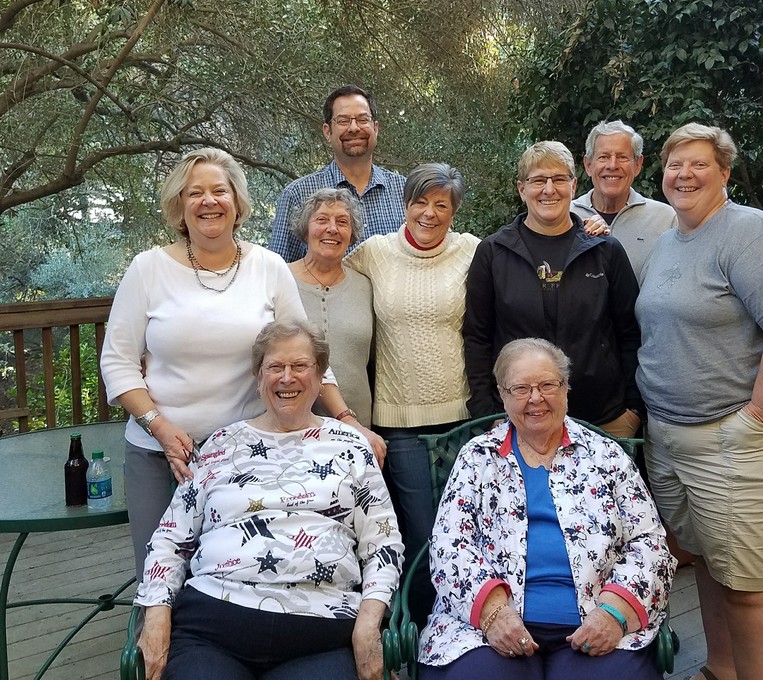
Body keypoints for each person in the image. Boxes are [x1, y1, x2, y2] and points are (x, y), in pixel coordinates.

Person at [100, 148, 379, 582]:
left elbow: (309, 357)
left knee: (239, 576)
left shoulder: (266, 267)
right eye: (196, 193)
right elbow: (117, 363)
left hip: (248, 456)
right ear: (179, 205)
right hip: (160, 455)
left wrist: (345, 417)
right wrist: (161, 427)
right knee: (158, 581)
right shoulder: (147, 269)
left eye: (219, 191)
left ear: (237, 203)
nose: (208, 201)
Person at [635, 123, 763, 680]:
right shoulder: (673, 238)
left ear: (723, 172)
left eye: (698, 164)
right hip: (675, 436)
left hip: (745, 438)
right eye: (674, 164)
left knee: (749, 585)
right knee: (716, 570)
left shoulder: (752, 234)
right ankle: (721, 670)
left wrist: (757, 416)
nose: (684, 174)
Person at [135, 321, 404, 680]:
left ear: (321, 374)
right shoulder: (220, 445)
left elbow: (383, 544)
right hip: (213, 626)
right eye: (275, 367)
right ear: (258, 376)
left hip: (321, 630)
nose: (286, 377)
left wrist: (370, 624)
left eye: (300, 366)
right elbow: (170, 539)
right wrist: (156, 614)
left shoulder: (352, 446)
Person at [419, 338, 675, 679]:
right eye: (521, 388)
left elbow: (650, 543)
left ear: (566, 388)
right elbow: (450, 545)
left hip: (594, 620)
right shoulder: (477, 457)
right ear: (502, 394)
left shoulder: (605, 455)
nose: (535, 398)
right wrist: (494, 615)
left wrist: (613, 613)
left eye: (547, 385)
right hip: (484, 628)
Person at [345, 162, 480, 624]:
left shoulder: (474, 252)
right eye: (420, 201)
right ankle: (424, 633)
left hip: (464, 417)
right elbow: (318, 273)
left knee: (468, 530)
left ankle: (471, 628)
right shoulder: (374, 253)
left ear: (454, 211)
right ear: (405, 204)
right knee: (422, 534)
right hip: (398, 419)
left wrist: (589, 223)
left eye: (441, 204)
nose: (429, 212)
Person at [463, 141, 643, 437]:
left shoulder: (605, 249)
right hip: (519, 419)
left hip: (604, 419)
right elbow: (477, 337)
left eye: (559, 179)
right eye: (538, 180)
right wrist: (487, 414)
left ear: (573, 185)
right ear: (522, 189)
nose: (549, 189)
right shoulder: (494, 252)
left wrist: (633, 411)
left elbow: (630, 333)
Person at [269, 85, 406, 262]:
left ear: (376, 128)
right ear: (327, 131)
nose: (354, 128)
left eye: (363, 119)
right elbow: (277, 273)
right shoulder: (298, 194)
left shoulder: (405, 191)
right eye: (343, 121)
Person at [288, 188, 375, 433]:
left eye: (342, 222)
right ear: (306, 229)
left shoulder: (365, 285)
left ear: (352, 234)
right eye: (322, 219)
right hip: (292, 428)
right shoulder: (279, 279)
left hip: (358, 429)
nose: (332, 229)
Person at [570, 120, 677, 280]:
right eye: (603, 157)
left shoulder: (666, 220)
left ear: (638, 164)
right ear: (588, 165)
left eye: (622, 157)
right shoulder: (568, 216)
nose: (612, 165)